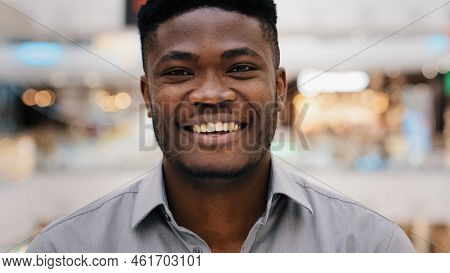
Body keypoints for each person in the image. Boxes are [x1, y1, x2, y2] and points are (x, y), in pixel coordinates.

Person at [27, 0, 415, 253]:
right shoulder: (66, 250)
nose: (211, 94)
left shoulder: (370, 246)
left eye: (241, 68)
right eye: (179, 72)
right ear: (147, 96)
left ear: (279, 88)